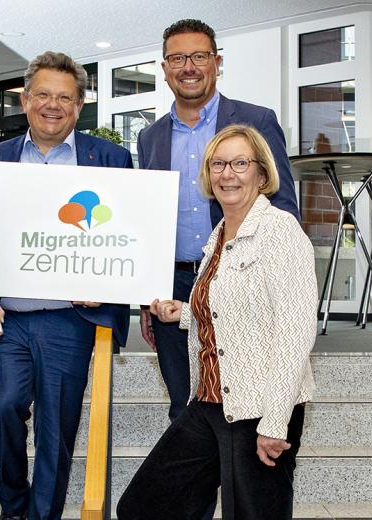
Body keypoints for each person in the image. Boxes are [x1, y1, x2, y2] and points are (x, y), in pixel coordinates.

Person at [117, 125, 317, 520]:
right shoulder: (220, 233)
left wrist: (275, 421)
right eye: (218, 164)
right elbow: (233, 309)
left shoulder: (280, 231)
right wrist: (186, 311)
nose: (228, 173)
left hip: (259, 408)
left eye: (240, 163)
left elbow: (295, 333)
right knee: (144, 505)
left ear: (262, 175)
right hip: (209, 401)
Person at [0, 51, 133, 520]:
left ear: (79, 106)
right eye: (42, 94)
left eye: (65, 97)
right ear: (25, 100)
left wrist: (107, 282)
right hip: (8, 318)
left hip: (71, 317)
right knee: (1, 407)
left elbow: (129, 237)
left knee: (56, 429)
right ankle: (14, 503)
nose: (52, 105)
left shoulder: (111, 159)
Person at [136, 19, 300, 423]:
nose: (188, 66)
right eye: (177, 58)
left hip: (238, 279)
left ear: (216, 62)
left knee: (245, 403)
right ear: (164, 68)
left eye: (199, 56)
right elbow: (147, 218)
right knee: (185, 409)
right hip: (173, 287)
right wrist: (146, 293)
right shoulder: (150, 137)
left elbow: (283, 205)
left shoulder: (256, 120)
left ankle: (247, 485)